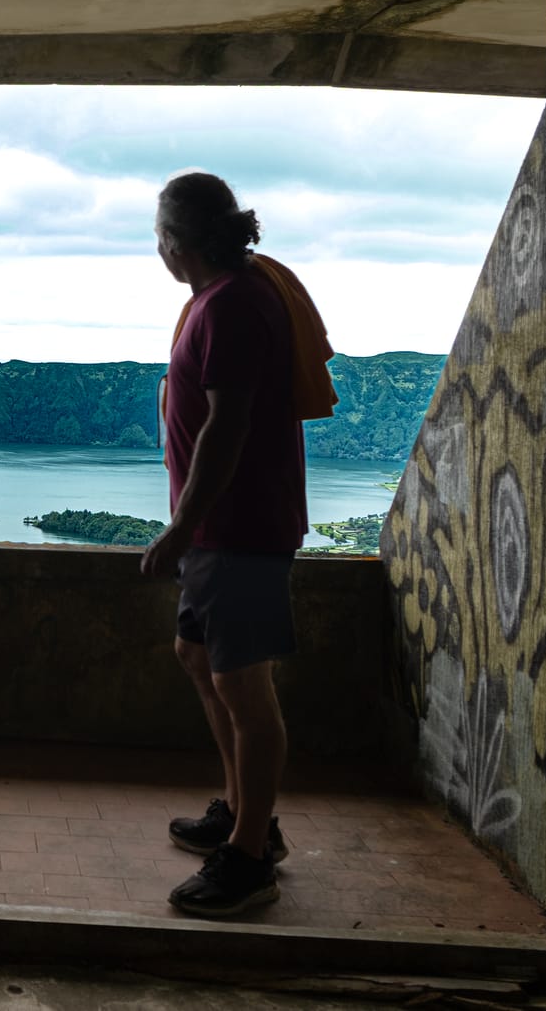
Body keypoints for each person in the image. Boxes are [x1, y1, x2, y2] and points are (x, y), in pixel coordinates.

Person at [139, 171, 334, 919]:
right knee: (200, 660)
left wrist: (183, 527)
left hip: (239, 528)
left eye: (158, 233)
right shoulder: (220, 299)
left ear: (175, 242)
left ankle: (251, 855)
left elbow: (228, 428)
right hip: (223, 530)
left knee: (245, 688)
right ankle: (239, 805)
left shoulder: (235, 305)